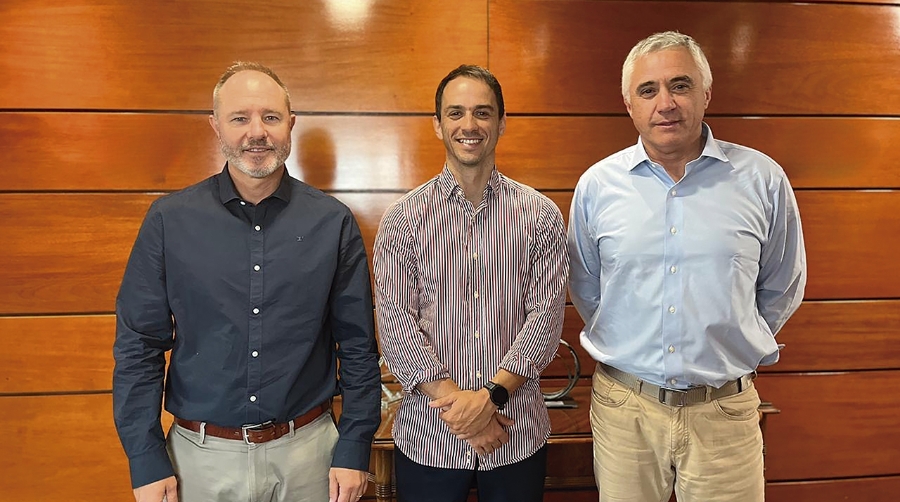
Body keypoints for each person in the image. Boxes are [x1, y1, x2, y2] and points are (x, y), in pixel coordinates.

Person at [113, 61, 381, 502]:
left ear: (290, 125)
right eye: (240, 118)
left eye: (271, 117)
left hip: (310, 457)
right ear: (216, 126)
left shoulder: (333, 223)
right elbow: (138, 347)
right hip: (199, 462)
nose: (257, 132)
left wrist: (354, 446)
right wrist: (144, 458)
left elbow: (357, 347)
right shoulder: (168, 221)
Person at [568, 31, 807, 502]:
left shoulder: (761, 179)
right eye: (648, 90)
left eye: (680, 85)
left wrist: (731, 338)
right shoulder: (598, 185)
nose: (666, 103)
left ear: (706, 94)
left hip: (724, 411)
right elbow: (588, 288)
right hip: (625, 410)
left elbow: (782, 284)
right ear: (628, 103)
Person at [372, 65, 569, 502]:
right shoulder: (403, 219)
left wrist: (492, 397)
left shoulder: (540, 216)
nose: (469, 125)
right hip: (429, 438)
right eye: (455, 113)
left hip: (516, 434)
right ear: (438, 125)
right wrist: (463, 412)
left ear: (501, 123)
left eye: (483, 112)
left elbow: (546, 319)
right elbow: (395, 325)